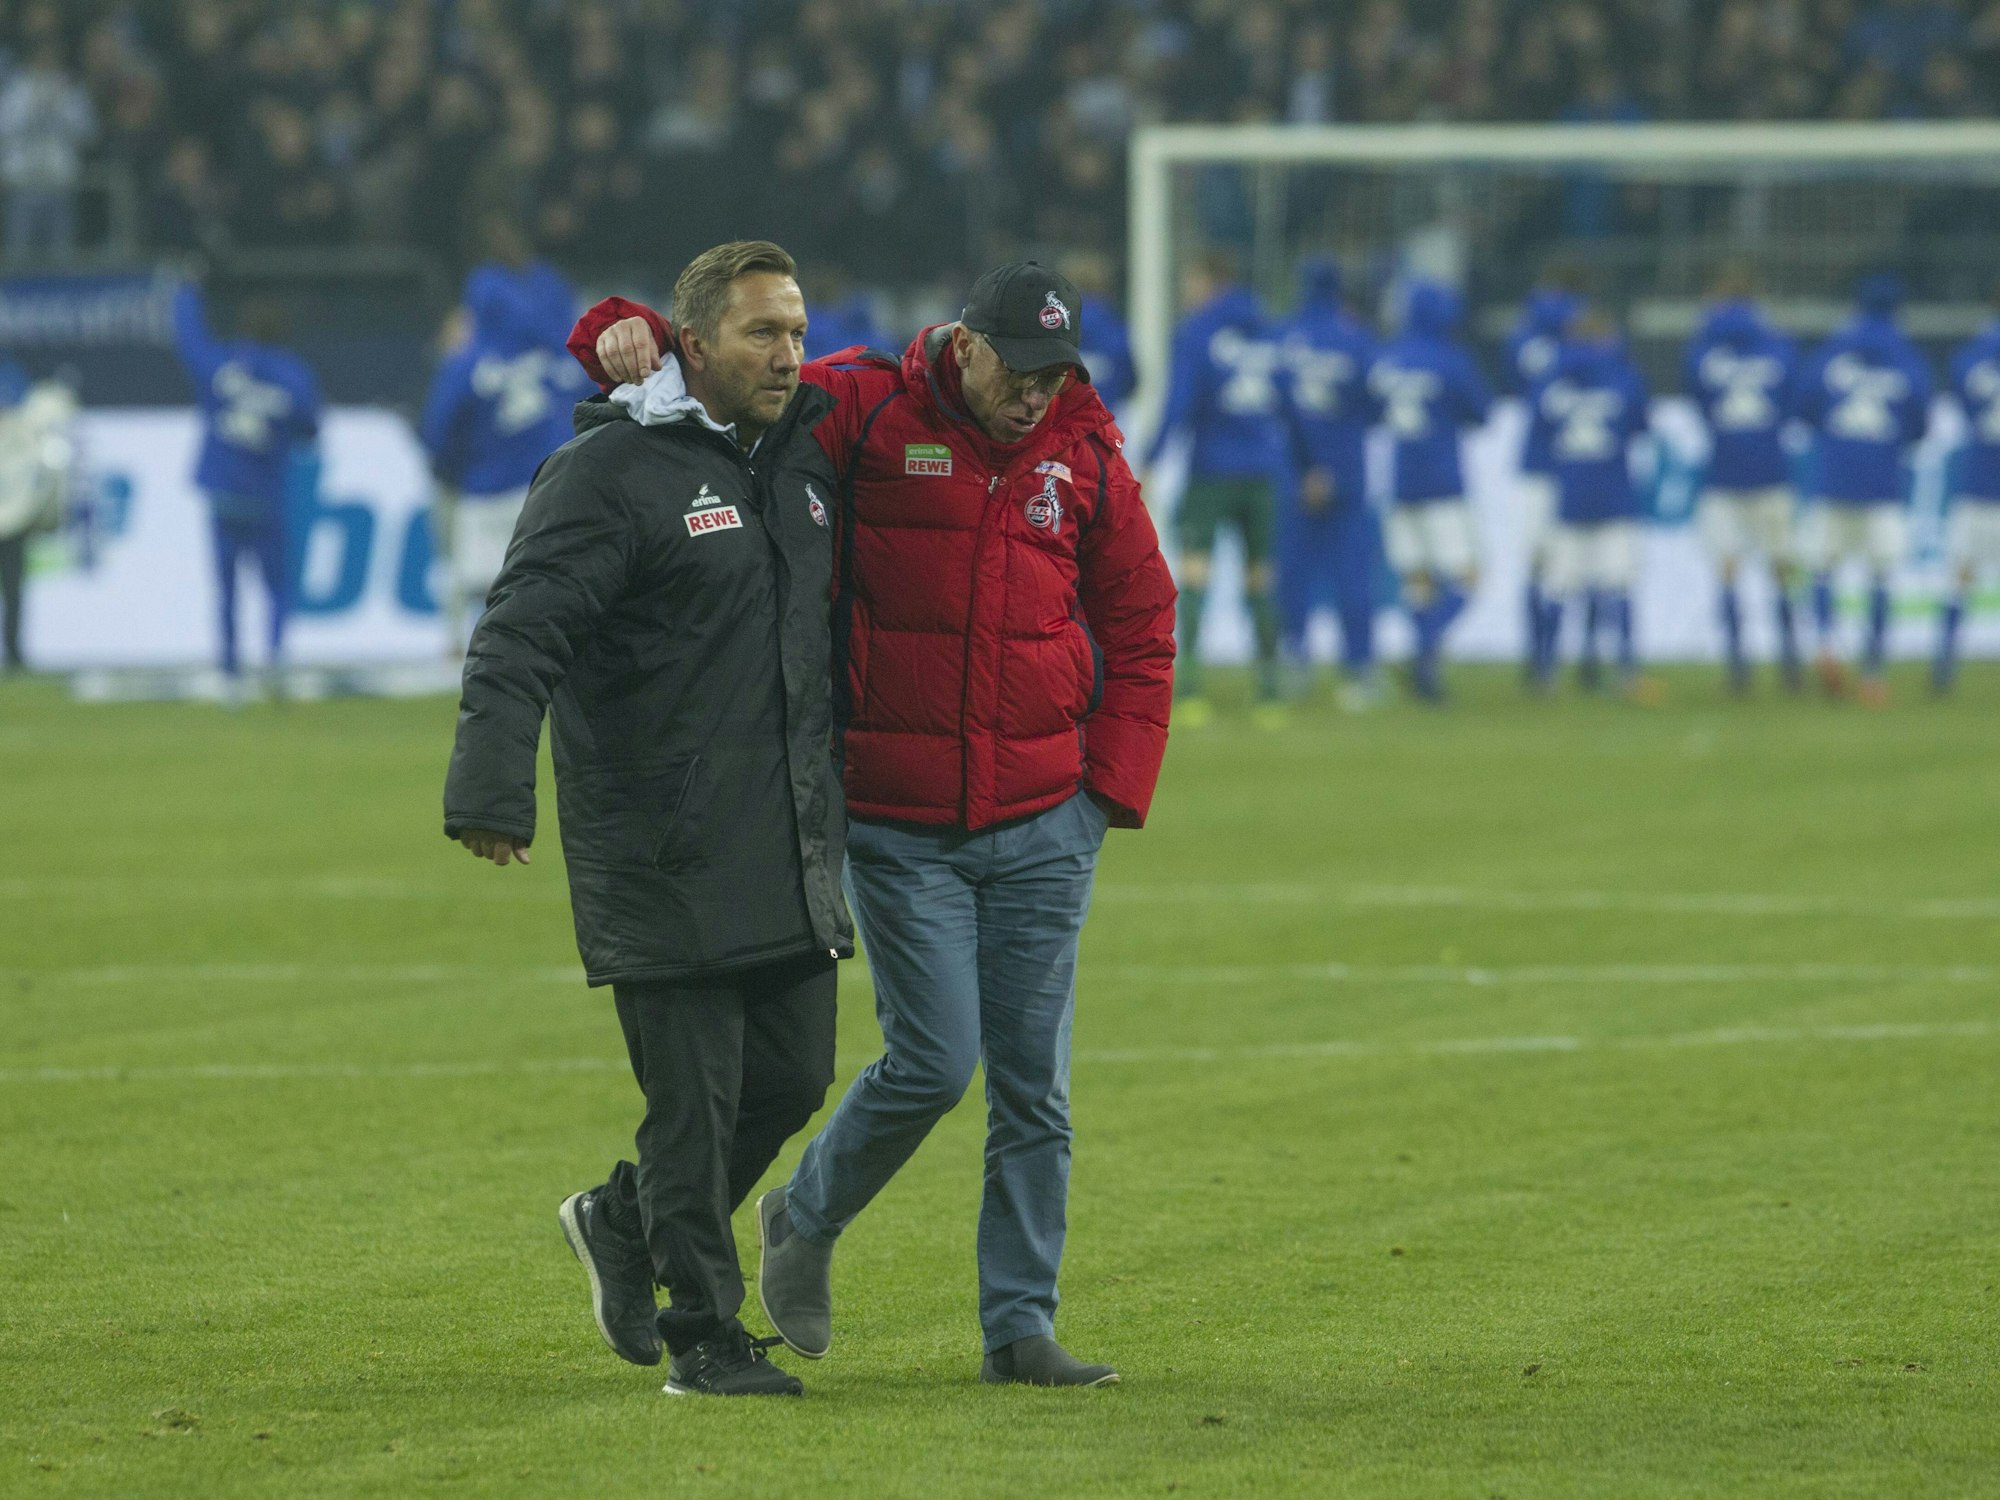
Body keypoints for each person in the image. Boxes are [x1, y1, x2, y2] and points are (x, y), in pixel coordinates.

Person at [578, 257, 1176, 1387]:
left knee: (1035, 1090)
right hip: (902, 824)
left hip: (1047, 820)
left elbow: (1142, 620)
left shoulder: (1083, 453)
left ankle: (1018, 1326)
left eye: (1058, 372)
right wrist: (617, 331)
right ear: (963, 343)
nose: (1037, 392)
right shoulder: (864, 404)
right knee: (936, 1059)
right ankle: (803, 1216)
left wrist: (1107, 791)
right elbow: (725, 368)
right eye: (1021, 367)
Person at [444, 241, 854, 1399]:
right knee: (695, 1103)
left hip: (782, 834)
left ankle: (620, 1225)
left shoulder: (798, 461)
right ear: (693, 345)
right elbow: (521, 630)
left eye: (795, 329)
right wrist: (488, 787)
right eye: (762, 334)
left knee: (790, 1077)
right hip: (661, 838)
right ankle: (703, 1337)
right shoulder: (607, 472)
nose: (788, 353)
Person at [1141, 250, 1304, 728]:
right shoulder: (1270, 331)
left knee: (1195, 575)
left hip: (1211, 470)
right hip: (1264, 472)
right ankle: (1269, 693)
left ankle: (1189, 689)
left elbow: (1179, 401)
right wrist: (1307, 463)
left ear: (1208, 280)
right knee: (1261, 578)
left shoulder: (1196, 331)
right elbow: (1290, 404)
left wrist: (1151, 459)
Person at [419, 266, 591, 652]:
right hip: (556, 490)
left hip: (487, 494)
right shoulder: (564, 356)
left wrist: (456, 470)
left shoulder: (467, 362)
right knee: (556, 592)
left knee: (489, 600)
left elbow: (436, 433)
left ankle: (485, 670)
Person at [170, 282, 322, 687]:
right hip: (266, 496)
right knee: (276, 586)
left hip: (223, 494)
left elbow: (189, 341)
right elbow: (310, 429)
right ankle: (273, 660)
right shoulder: (293, 375)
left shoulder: (223, 366)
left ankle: (230, 669)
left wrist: (185, 292)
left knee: (226, 588)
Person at [1792, 273, 1932, 706]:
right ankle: (1873, 673)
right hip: (1882, 482)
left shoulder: (1834, 351)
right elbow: (1920, 419)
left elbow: (1805, 403)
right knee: (1881, 576)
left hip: (1833, 477)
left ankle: (1827, 647)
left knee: (1823, 569)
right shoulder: (1905, 356)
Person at [1368, 280, 1492, 701]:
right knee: (1469, 575)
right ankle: (1424, 654)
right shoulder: (1449, 359)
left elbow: (1370, 410)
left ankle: (1425, 676)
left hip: (1401, 483)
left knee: (1418, 580)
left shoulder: (1388, 357)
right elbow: (1481, 412)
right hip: (1442, 483)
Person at [1683, 273, 1802, 693]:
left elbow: (1697, 400)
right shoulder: (1779, 346)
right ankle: (1790, 664)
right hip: (1771, 471)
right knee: (1781, 568)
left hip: (1723, 474)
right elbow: (1792, 401)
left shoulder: (1703, 350)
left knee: (1728, 569)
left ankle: (1738, 668)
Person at [1276, 256, 1383, 707]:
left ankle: (1293, 665)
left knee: (1293, 574)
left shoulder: (1283, 339)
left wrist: (1305, 469)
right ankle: (1358, 674)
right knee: (1353, 576)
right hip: (1348, 476)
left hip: (1295, 477)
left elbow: (1275, 408)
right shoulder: (1357, 340)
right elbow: (1376, 408)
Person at [1539, 308, 1657, 698]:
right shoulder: (1624, 379)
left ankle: (1546, 672)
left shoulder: (1552, 381)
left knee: (1557, 589)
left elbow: (1539, 436)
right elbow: (1642, 426)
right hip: (1615, 496)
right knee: (1619, 587)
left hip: (1569, 496)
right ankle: (1625, 671)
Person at [1505, 277, 1581, 686]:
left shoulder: (1522, 342)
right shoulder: (1580, 354)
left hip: (1534, 468)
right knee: (1562, 570)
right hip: (1573, 471)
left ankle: (1537, 658)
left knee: (1535, 567)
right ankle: (1551, 659)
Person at [1936, 292, 2000, 692]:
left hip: (1979, 482)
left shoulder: (1971, 356)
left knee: (1960, 577)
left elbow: (1960, 392)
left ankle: (1944, 665)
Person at [0, 361, 78, 673]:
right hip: (14, 515)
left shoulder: (25, 427)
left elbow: (58, 406)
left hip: (15, 519)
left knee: (14, 589)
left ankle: (15, 654)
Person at [0, 43, 96, 263]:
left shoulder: (71, 90)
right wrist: (31, 108)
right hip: (22, 185)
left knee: (62, 257)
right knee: (18, 256)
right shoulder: (15, 90)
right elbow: (4, 129)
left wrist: (59, 108)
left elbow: (88, 132)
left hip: (60, 183)